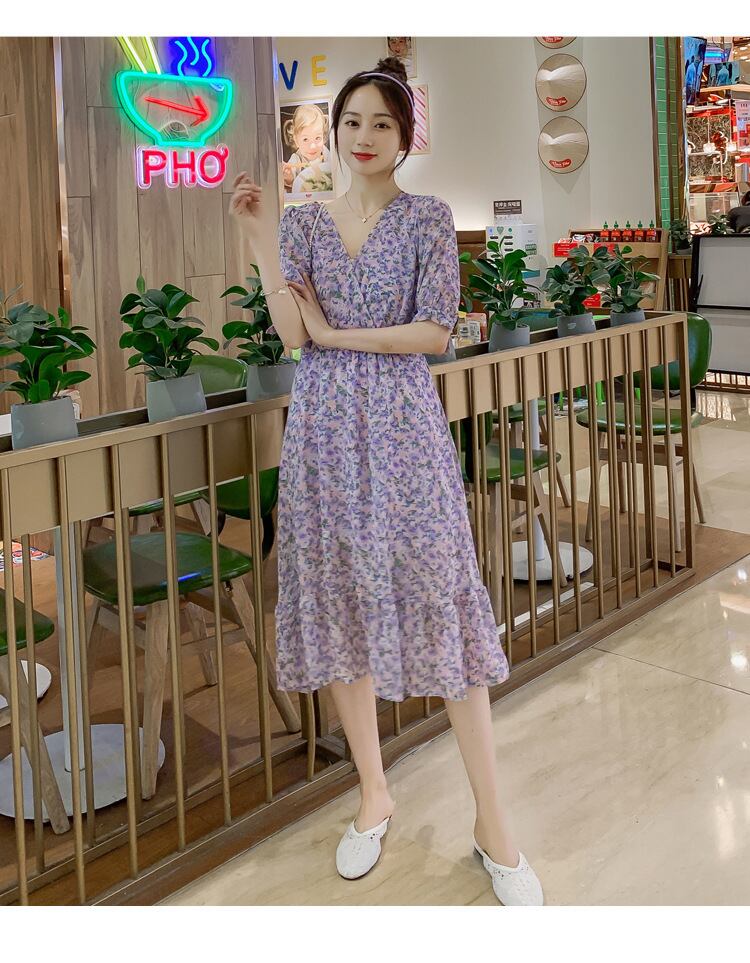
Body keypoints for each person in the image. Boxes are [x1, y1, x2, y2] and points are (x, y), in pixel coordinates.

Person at [228, 56, 544, 907]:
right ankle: (374, 792)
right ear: (333, 132)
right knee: (342, 602)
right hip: (326, 432)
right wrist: (260, 240)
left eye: (382, 124)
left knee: (443, 598)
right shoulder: (303, 223)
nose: (364, 137)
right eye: (352, 123)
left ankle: (494, 823)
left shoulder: (428, 218)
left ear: (406, 137)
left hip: (403, 428)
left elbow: (435, 332)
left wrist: (340, 337)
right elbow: (293, 333)